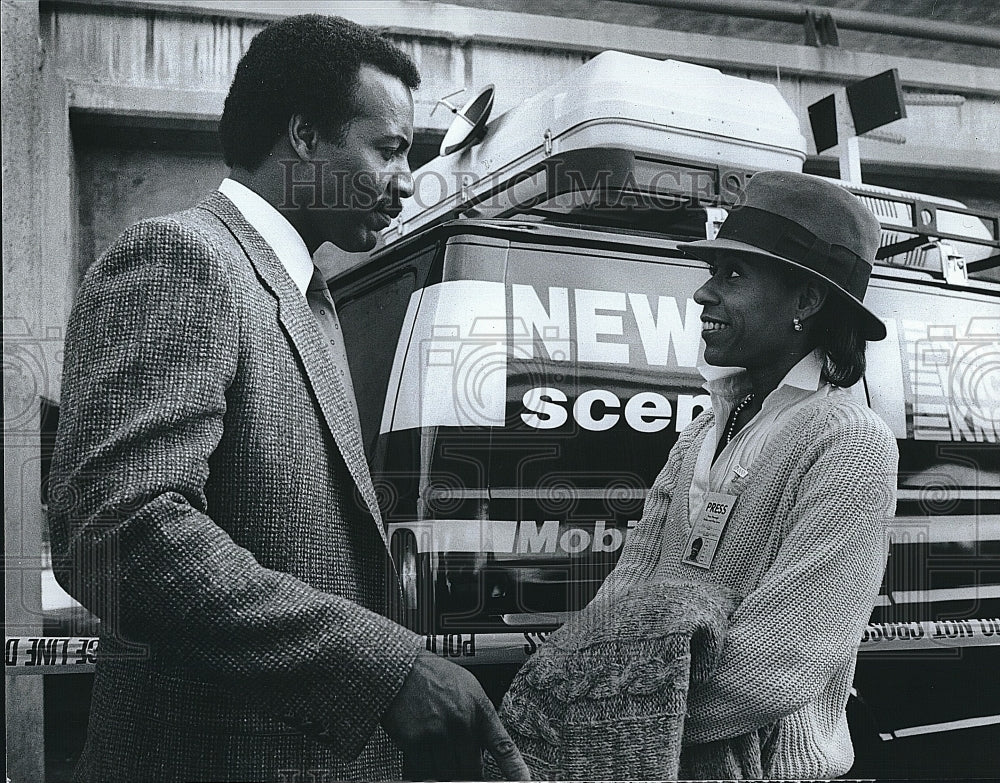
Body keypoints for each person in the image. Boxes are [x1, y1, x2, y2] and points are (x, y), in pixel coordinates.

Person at [49, 14, 528, 783]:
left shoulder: (312, 298)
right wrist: (383, 669)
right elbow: (118, 530)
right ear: (305, 137)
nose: (406, 179)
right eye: (389, 148)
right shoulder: (183, 257)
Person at [592, 170, 898, 779]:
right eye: (713, 272)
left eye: (733, 275)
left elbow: (776, 663)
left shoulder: (851, 441)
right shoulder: (703, 432)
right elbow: (624, 596)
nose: (704, 293)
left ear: (806, 302)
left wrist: (610, 713)